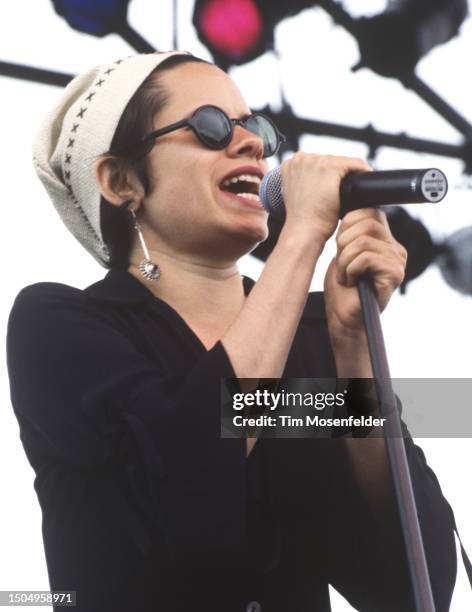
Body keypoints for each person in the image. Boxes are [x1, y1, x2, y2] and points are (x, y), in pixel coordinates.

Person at [6, 51, 457, 612]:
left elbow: (412, 587)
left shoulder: (313, 341)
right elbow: (186, 470)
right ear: (121, 180)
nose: (252, 145)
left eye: (256, 128)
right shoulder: (61, 326)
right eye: (211, 126)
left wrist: (353, 349)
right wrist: (302, 239)